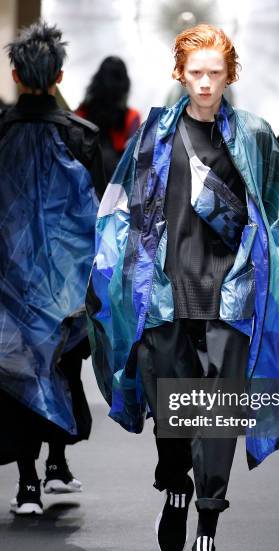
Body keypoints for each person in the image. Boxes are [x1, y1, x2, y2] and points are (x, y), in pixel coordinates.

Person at [86, 24, 279, 551]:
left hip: (228, 298)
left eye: (215, 73)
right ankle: (174, 479)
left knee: (217, 418)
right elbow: (122, 208)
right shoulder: (155, 133)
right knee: (174, 415)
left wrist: (269, 271)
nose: (205, 83)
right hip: (163, 296)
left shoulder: (255, 136)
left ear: (230, 75)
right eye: (195, 72)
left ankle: (207, 539)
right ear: (179, 74)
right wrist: (109, 272)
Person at [0, 21, 105, 515]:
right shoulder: (83, 138)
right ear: (60, 73)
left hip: (9, 279)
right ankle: (57, 463)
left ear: (15, 72)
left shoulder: (0, 133)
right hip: (67, 281)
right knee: (64, 363)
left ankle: (27, 487)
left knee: (20, 372)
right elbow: (99, 216)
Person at [76, 56, 141, 181]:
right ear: (125, 85)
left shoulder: (81, 113)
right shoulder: (132, 117)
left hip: (82, 183)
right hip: (114, 188)